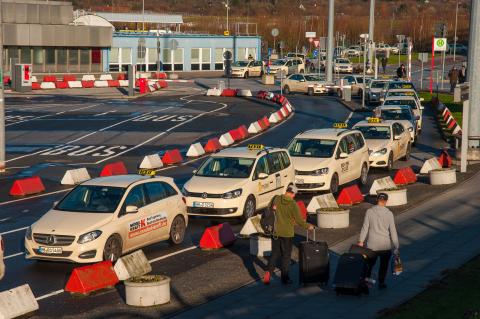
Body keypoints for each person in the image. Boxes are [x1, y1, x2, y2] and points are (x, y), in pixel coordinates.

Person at [264, 185, 314, 285]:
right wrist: (309, 226)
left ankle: (268, 273)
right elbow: (299, 221)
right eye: (294, 194)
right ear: (292, 193)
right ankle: (285, 278)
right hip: (287, 234)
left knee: (274, 253)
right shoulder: (293, 204)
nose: (294, 196)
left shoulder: (276, 198)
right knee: (286, 256)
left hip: (275, 232)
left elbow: (267, 210)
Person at [358, 193, 399, 290]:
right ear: (386, 201)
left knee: (369, 266)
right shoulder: (389, 214)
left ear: (377, 200)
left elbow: (365, 227)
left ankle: (366, 284)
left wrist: (361, 241)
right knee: (383, 266)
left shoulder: (369, 212)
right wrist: (396, 246)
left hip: (372, 246)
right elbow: (393, 231)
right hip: (385, 245)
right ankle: (381, 282)